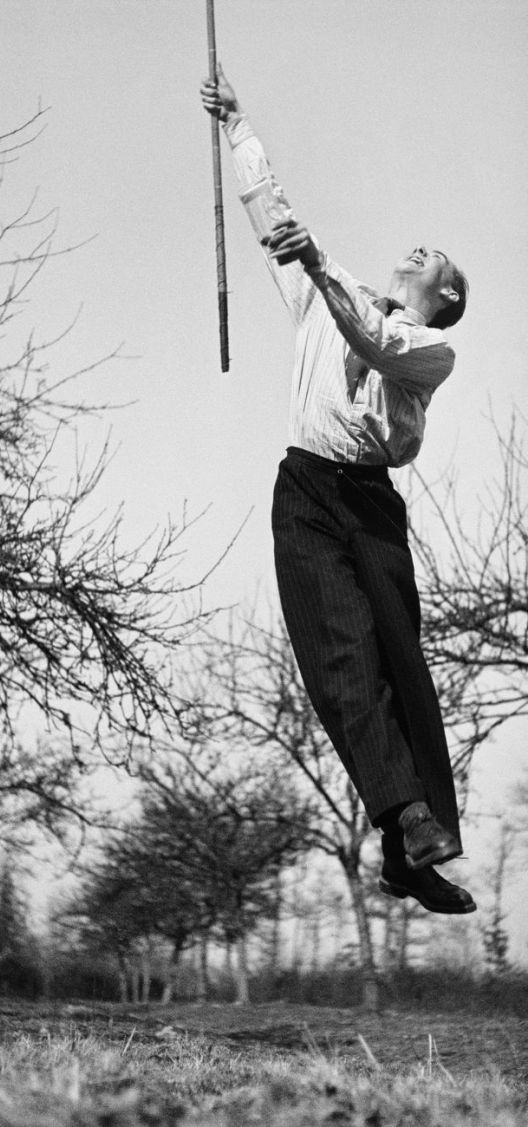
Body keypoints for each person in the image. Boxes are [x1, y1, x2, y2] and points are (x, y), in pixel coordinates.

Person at [201, 67, 475, 915]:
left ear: (448, 297)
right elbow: (270, 215)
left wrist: (319, 265)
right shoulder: (332, 292)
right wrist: (238, 127)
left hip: (372, 509)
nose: (422, 247)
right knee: (345, 661)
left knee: (401, 670)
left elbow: (378, 339)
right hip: (308, 494)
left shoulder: (430, 351)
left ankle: (408, 854)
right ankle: (410, 816)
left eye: (440, 258)